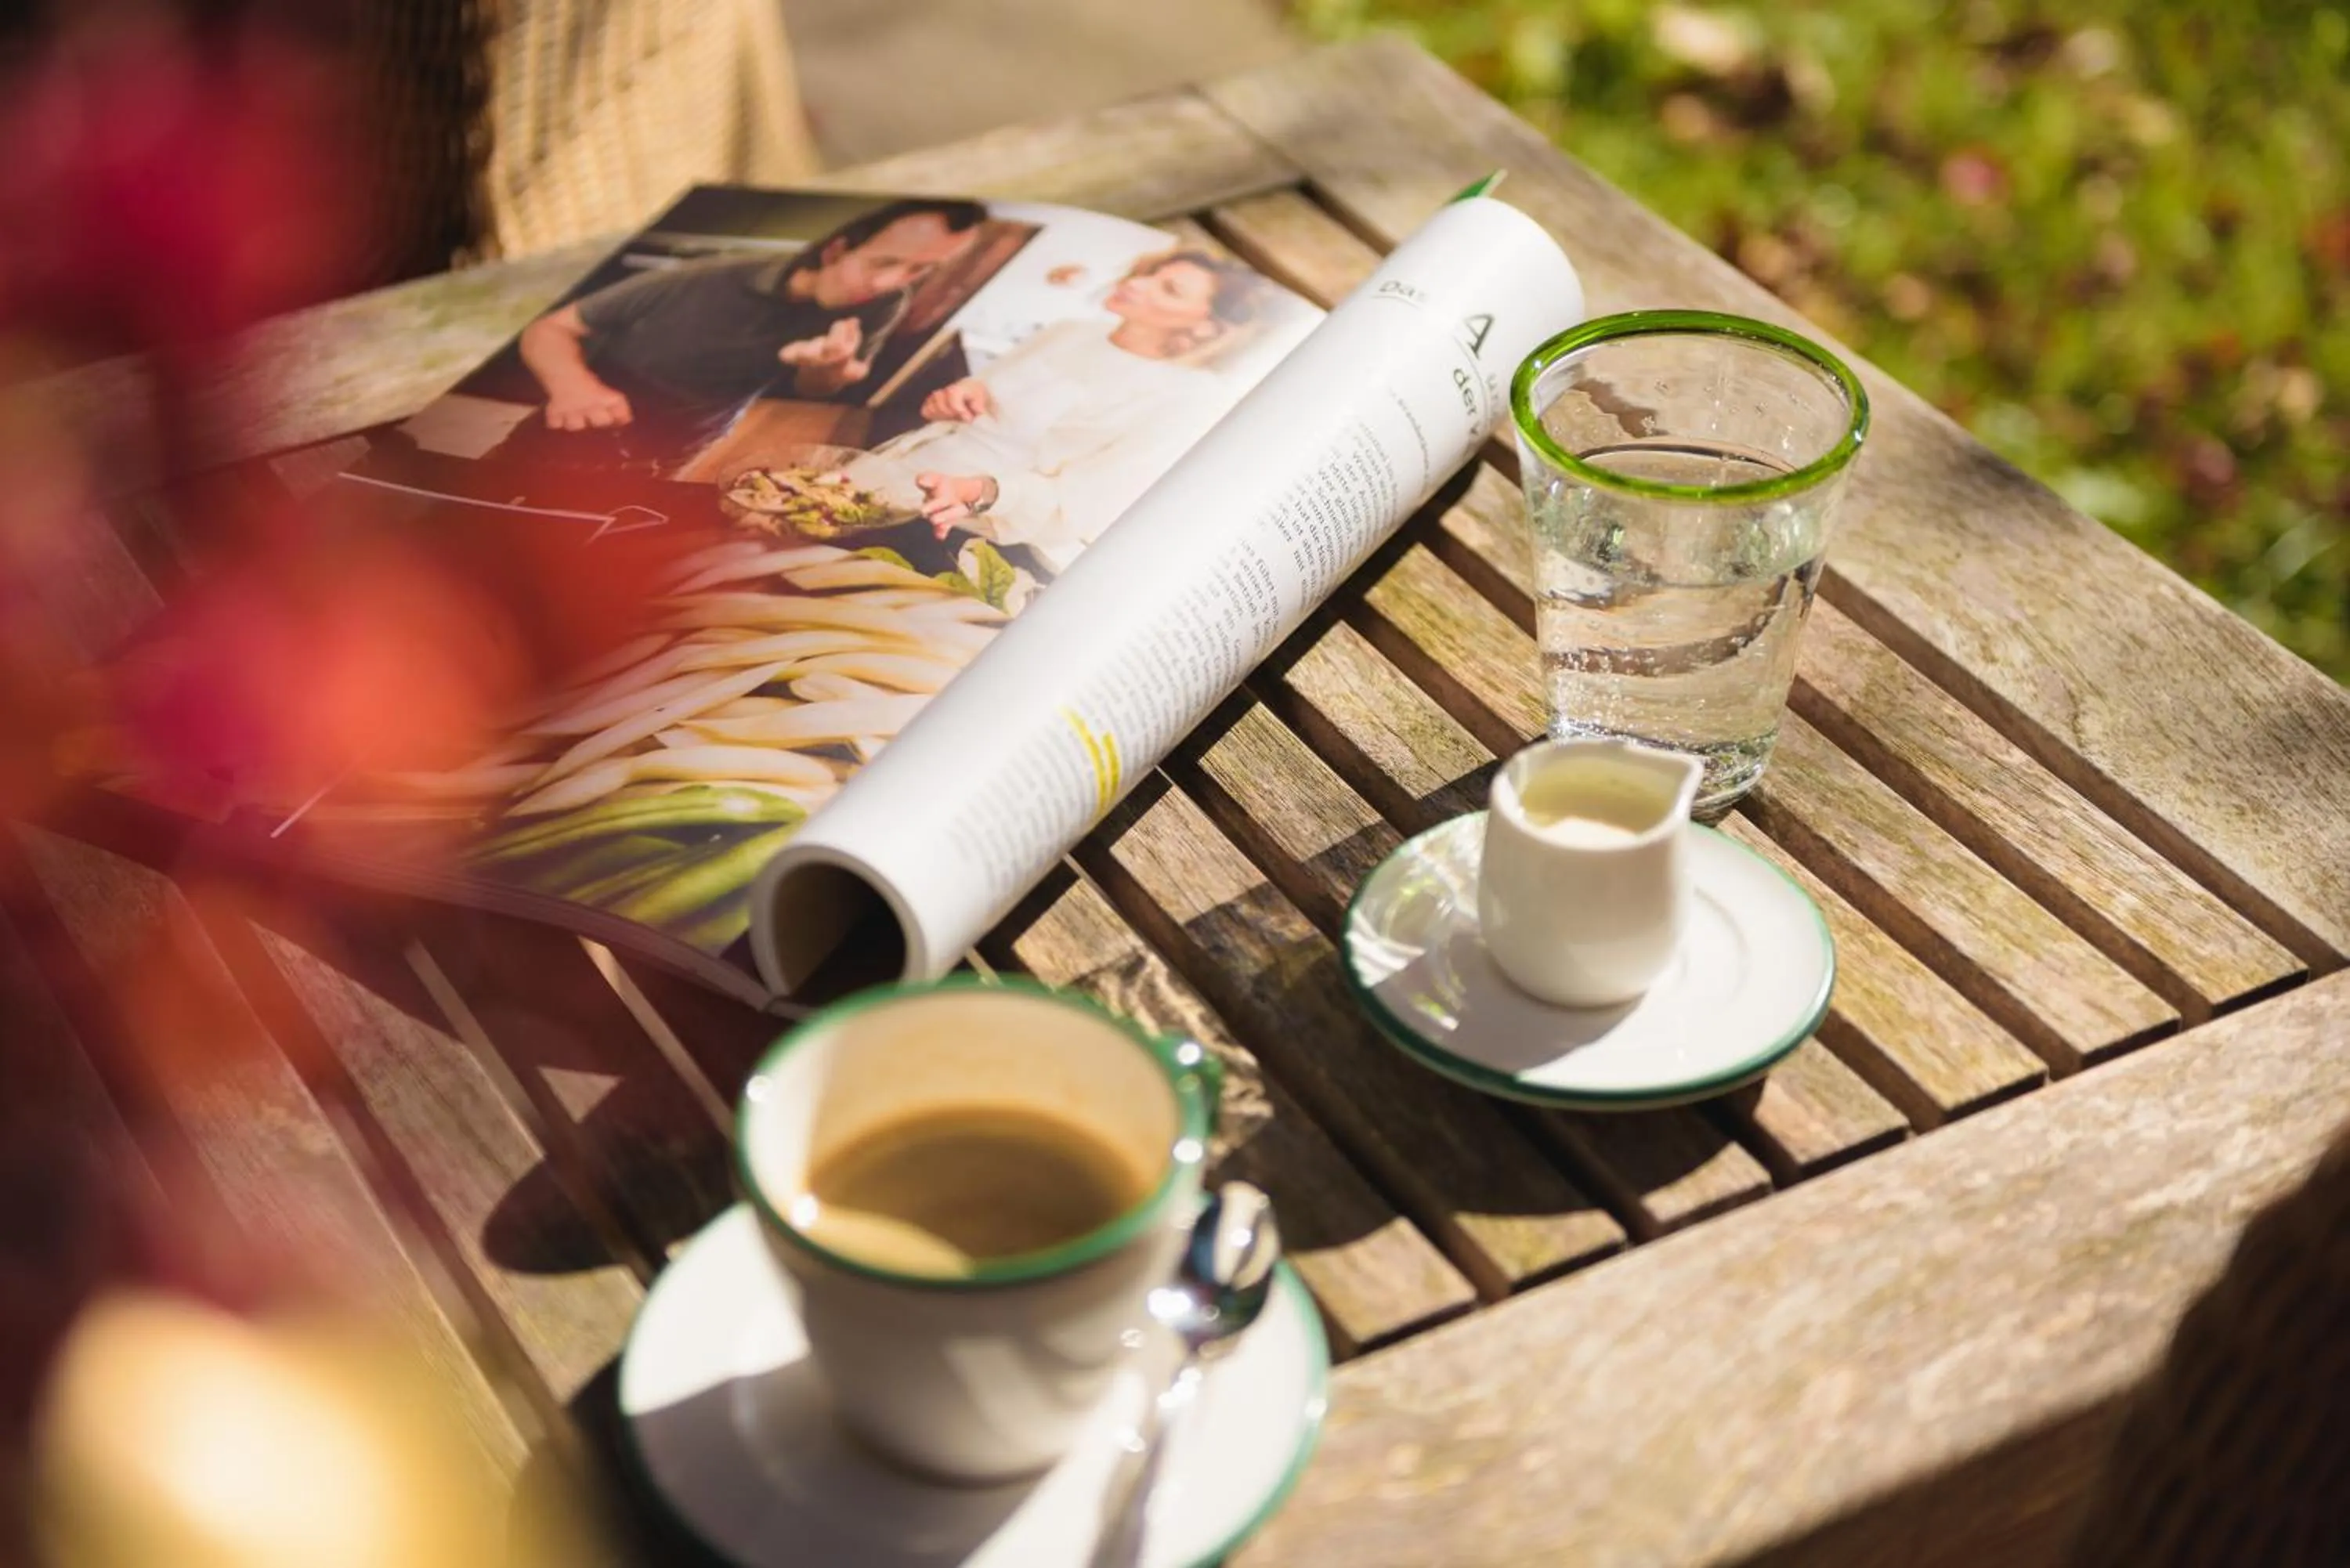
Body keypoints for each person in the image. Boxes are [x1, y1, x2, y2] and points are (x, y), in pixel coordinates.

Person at [835, 248, 1289, 574]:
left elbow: (1081, 505)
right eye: (1150, 274)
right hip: (898, 474)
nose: (1136, 283)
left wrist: (979, 491)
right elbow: (980, 401)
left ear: (1207, 328)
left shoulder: (1189, 398)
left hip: (973, 536)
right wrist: (956, 397)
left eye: (1168, 289)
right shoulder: (1070, 332)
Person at [503, 197, 988, 471]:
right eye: (883, 263)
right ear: (836, 249)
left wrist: (829, 370)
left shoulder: (887, 303)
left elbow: (815, 390)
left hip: (685, 443)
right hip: (583, 420)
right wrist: (574, 386)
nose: (890, 284)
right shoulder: (706, 278)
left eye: (918, 271)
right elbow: (551, 327)